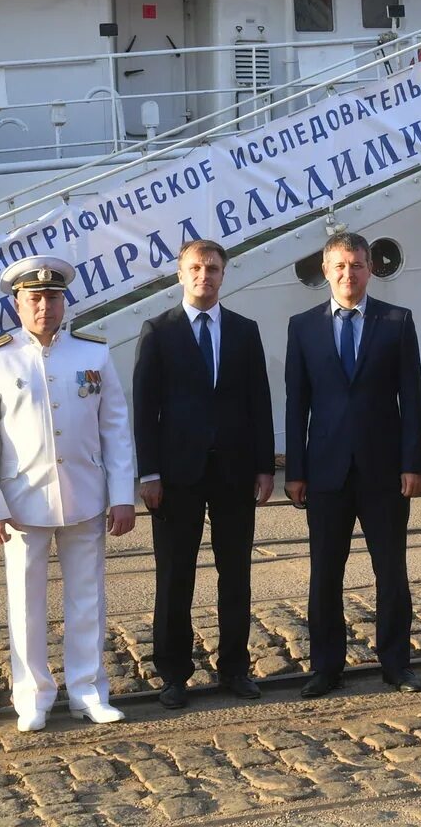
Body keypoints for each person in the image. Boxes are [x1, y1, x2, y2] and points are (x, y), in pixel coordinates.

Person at [0, 256, 136, 731]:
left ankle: (88, 690)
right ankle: (33, 697)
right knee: (26, 602)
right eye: (35, 298)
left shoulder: (93, 353)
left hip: (85, 493)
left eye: (53, 297)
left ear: (65, 302)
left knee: (88, 599)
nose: (45, 306)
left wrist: (122, 494)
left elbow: (116, 429)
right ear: (17, 303)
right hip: (22, 502)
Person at [131, 239, 275, 708]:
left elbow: (259, 402)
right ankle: (173, 673)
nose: (203, 276)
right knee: (175, 575)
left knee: (236, 573)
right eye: (195, 268)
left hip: (234, 470)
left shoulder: (245, 330)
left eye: (212, 269)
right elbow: (144, 410)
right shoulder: (158, 331)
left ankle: (234, 666)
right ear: (180, 274)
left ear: (223, 274)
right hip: (175, 475)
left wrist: (264, 465)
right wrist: (147, 473)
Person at [284, 232, 421, 698]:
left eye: (358, 265)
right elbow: (296, 404)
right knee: (325, 572)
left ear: (370, 269)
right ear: (326, 271)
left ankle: (396, 663)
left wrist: (414, 463)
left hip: (385, 469)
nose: (349, 274)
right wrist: (296, 471)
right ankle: (326, 667)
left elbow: (412, 396)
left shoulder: (397, 321)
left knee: (392, 572)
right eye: (341, 266)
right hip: (326, 472)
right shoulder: (302, 327)